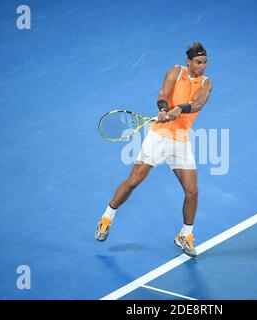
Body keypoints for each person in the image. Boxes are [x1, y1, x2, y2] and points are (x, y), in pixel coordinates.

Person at [95, 42, 213, 258]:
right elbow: (162, 93)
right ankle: (106, 217)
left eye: (205, 62)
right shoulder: (176, 72)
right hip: (159, 136)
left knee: (192, 192)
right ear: (189, 61)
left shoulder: (206, 83)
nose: (202, 66)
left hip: (181, 141)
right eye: (198, 62)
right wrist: (164, 110)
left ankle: (185, 235)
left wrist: (179, 109)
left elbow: (198, 104)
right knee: (133, 182)